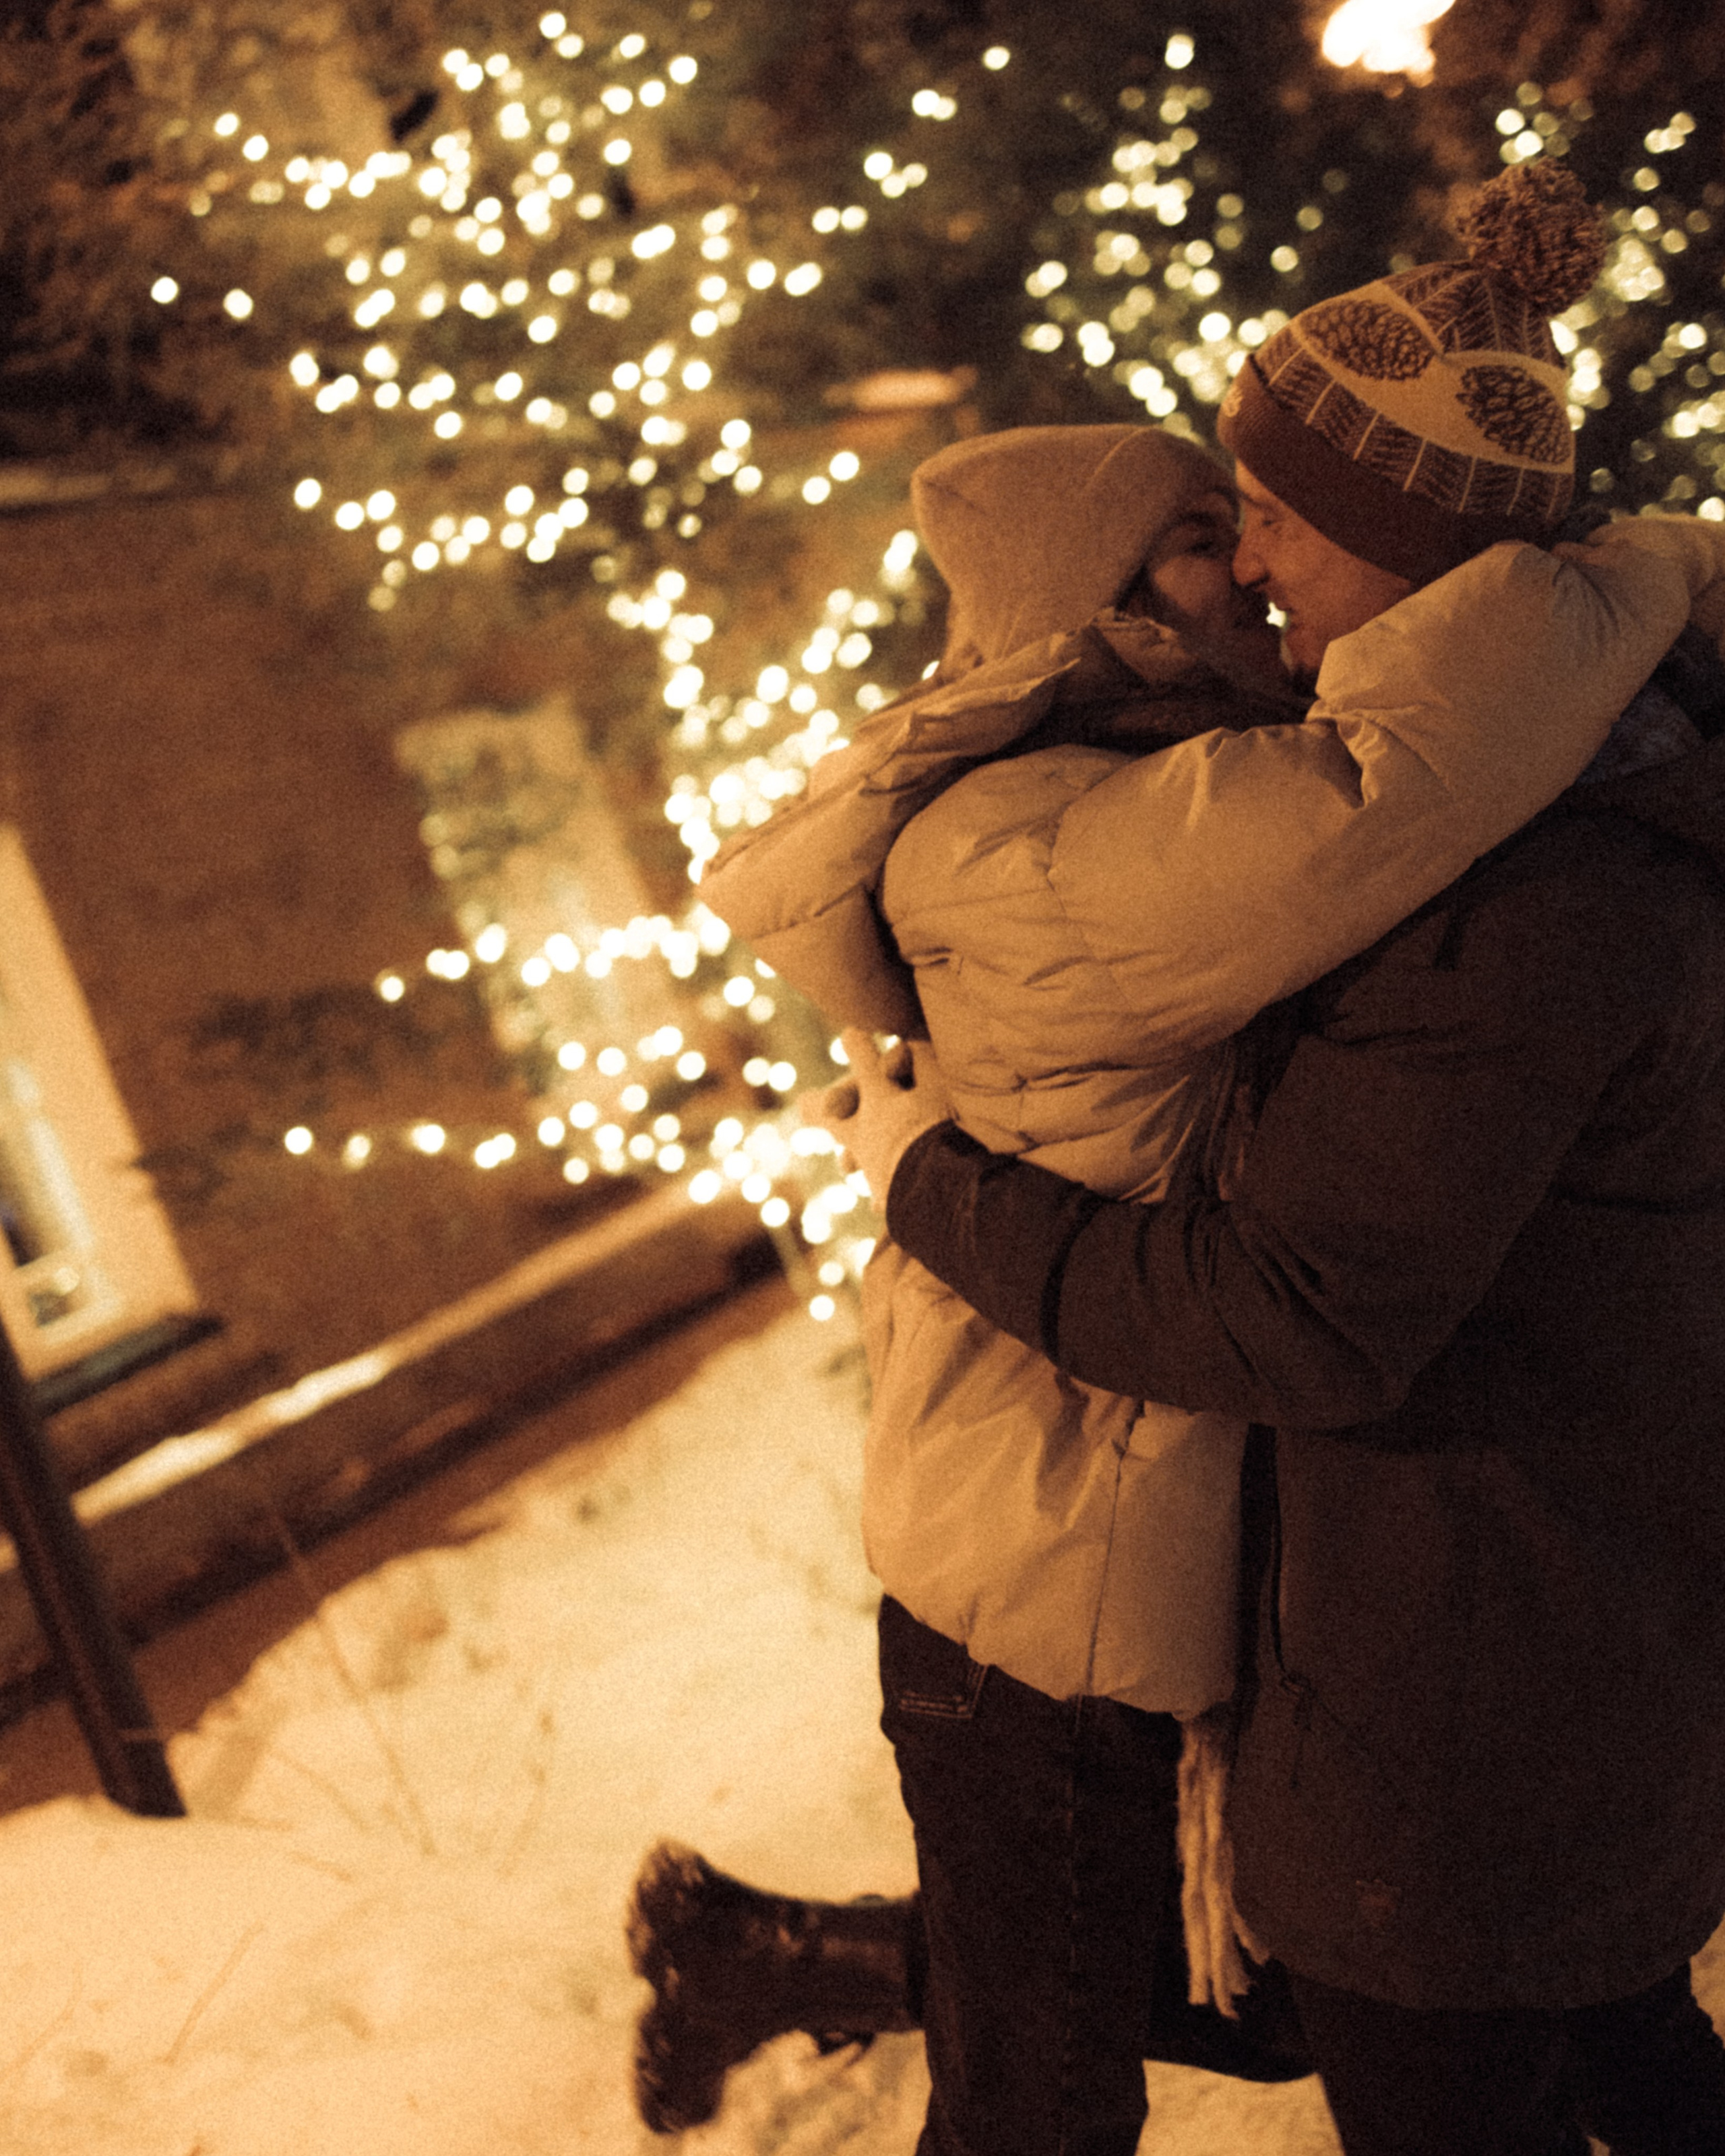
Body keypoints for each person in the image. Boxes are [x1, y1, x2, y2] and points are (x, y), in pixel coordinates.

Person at [815, 160, 1725, 2156]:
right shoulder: (1505, 811)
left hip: (1473, 1694)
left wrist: (919, 1181)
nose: (1268, 567)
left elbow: (1293, 1309)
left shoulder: (1517, 883)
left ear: (1423, 554)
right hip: (1518, 1648)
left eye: (1294, 518)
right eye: (1230, 527)